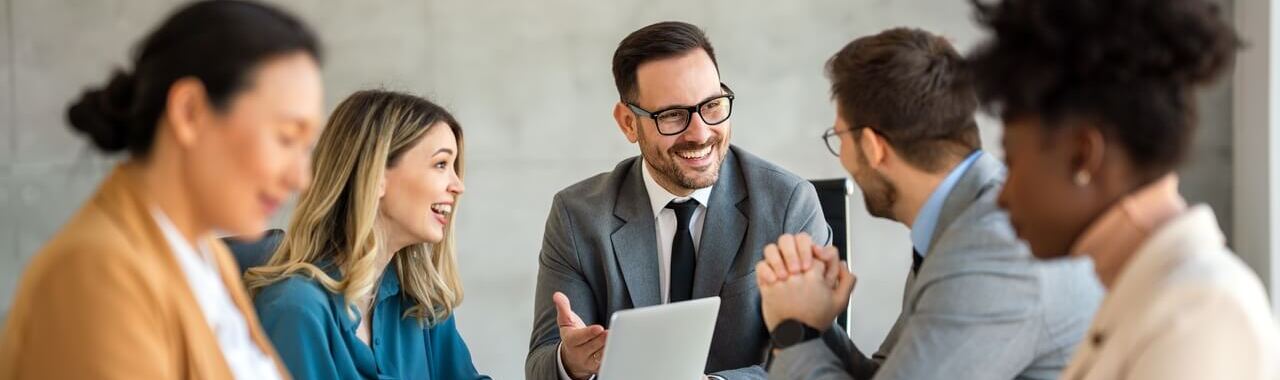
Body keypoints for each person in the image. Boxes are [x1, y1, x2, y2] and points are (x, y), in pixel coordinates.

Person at [755, 28, 1102, 379]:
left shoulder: (989, 252)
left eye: (840, 136)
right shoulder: (963, 217)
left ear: (874, 147)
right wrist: (814, 321)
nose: (842, 153)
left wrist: (794, 333)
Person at [0, 1, 323, 378]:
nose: (301, 178)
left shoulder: (206, 255)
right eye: (285, 139)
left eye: (306, 148)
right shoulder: (99, 274)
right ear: (189, 112)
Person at [968, 0, 1279, 378]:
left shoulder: (1201, 310)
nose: (1003, 196)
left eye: (1012, 161)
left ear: (1083, 156)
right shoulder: (1147, 288)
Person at [525, 21, 832, 380]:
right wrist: (571, 364)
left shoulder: (788, 204)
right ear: (627, 123)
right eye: (672, 115)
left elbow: (814, 361)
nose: (700, 133)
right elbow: (541, 366)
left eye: (712, 105)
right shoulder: (578, 216)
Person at [243, 90, 489, 379]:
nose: (458, 186)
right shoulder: (295, 310)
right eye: (440, 165)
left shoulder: (421, 305)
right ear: (377, 176)